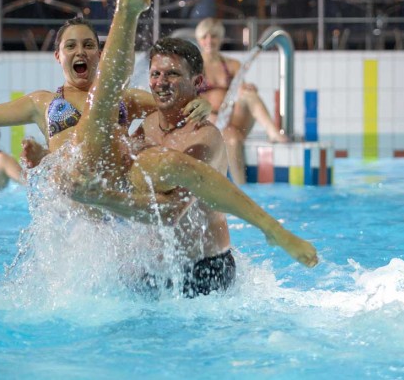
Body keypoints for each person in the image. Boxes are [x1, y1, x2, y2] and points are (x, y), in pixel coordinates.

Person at [69, 36, 318, 296]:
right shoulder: (147, 126)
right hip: (155, 269)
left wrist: (101, 197)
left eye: (173, 74)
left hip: (204, 272)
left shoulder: (204, 138)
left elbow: (170, 213)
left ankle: (273, 231)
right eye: (155, 74)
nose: (161, 82)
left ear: (197, 82)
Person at [0, 17, 209, 162]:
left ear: (100, 56)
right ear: (58, 57)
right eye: (71, 46)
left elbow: (171, 105)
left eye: (89, 45)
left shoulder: (121, 98)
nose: (81, 51)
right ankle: (46, 157)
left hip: (113, 195)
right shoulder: (41, 103)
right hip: (72, 203)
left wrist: (202, 104)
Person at [195, 17, 288, 184]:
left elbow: (239, 90)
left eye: (214, 36)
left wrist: (247, 89)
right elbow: (191, 100)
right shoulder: (194, 67)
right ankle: (241, 188)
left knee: (249, 95)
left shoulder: (231, 65)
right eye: (205, 37)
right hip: (210, 121)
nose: (210, 41)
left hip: (232, 117)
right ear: (199, 40)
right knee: (232, 139)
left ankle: (273, 133)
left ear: (221, 39)